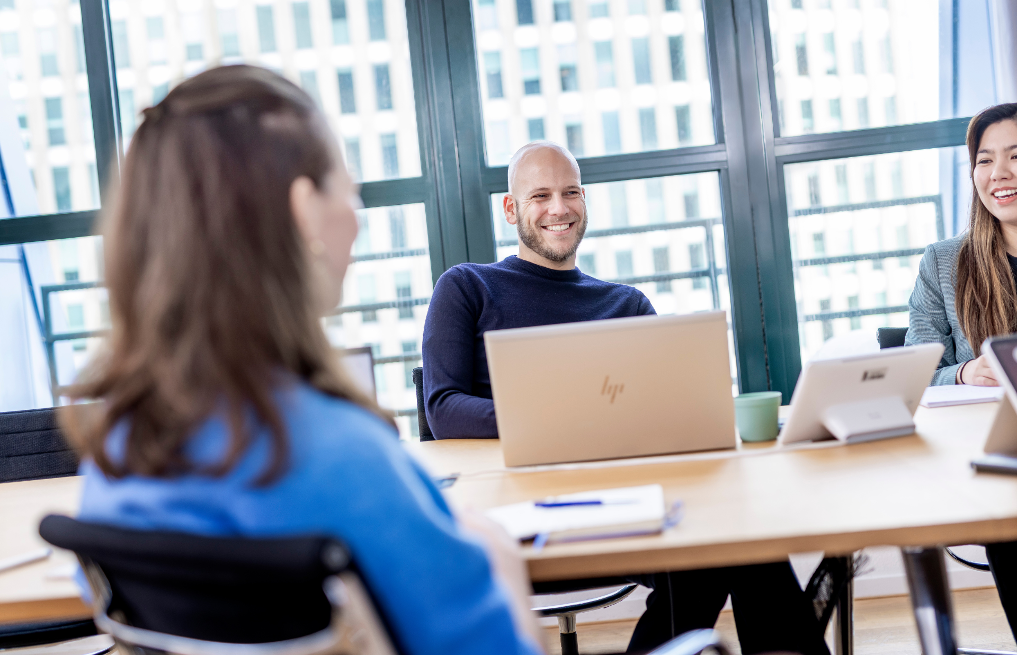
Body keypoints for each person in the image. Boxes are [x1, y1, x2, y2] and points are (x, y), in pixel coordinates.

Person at [60, 65, 545, 655]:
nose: (359, 217)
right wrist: (502, 568)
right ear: (304, 211)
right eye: (349, 187)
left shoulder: (116, 453)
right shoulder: (344, 454)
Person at [422, 141, 829, 654]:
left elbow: (665, 410)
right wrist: (560, 420)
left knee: (741, 537)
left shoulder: (626, 303)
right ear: (510, 209)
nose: (558, 208)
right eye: (539, 196)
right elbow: (444, 409)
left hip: (625, 504)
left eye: (570, 193)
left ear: (584, 201)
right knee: (718, 554)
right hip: (519, 516)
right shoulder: (467, 287)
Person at [905, 102, 1017, 634]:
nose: (1000, 175)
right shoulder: (944, 262)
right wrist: (966, 371)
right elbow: (916, 372)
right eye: (985, 160)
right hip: (993, 458)